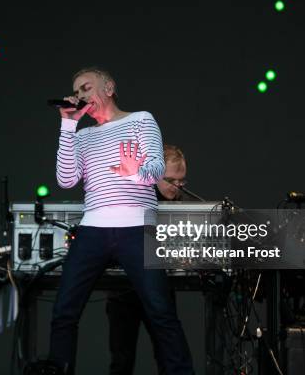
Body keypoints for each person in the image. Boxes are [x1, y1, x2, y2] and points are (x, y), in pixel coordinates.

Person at [48, 67, 195, 375]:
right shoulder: (83, 134)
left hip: (136, 227)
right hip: (93, 228)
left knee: (160, 312)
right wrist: (67, 125)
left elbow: (156, 169)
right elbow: (65, 179)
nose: (80, 96)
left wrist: (133, 172)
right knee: (64, 311)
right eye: (76, 92)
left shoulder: (141, 119)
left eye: (86, 88)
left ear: (109, 87)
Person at [106, 145, 192, 375]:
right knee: (122, 360)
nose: (178, 187)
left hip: (160, 288)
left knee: (169, 357)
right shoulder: (130, 195)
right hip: (125, 290)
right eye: (172, 180)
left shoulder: (179, 204)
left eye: (182, 181)